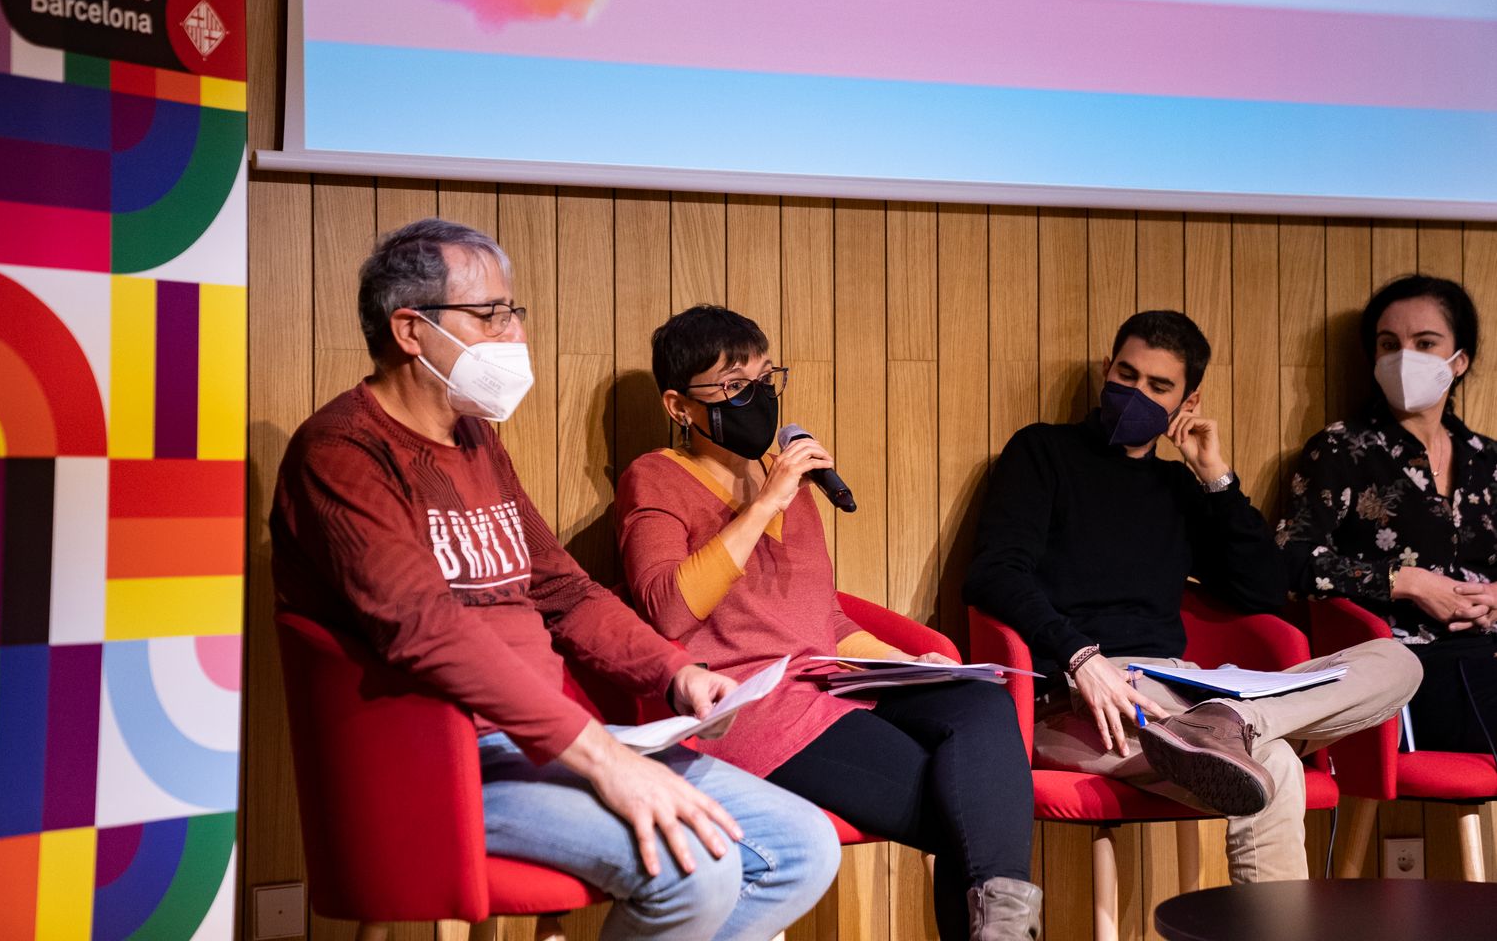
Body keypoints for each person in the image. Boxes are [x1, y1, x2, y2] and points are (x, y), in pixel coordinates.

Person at [270, 220, 839, 941]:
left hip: (542, 745)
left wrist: (676, 673)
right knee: (694, 871)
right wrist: (600, 757)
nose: (514, 334)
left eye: (513, 312)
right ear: (411, 331)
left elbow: (563, 591)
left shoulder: (475, 439)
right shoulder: (342, 451)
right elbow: (426, 632)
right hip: (442, 759)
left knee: (802, 849)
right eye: (490, 315)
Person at [615, 305, 1040, 941]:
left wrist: (905, 663)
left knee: (980, 702)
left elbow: (825, 618)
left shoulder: (786, 480)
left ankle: (1000, 929)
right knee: (974, 809)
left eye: (765, 378)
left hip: (835, 684)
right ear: (679, 406)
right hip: (755, 707)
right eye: (734, 386)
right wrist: (767, 502)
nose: (758, 397)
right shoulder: (655, 478)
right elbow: (666, 607)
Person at [967, 309, 1421, 883]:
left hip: (1188, 691)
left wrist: (1216, 477)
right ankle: (1229, 734)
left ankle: (1230, 720)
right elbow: (995, 573)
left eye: (1158, 386)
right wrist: (1081, 656)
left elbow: (1262, 590)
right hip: (1081, 696)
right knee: (1273, 763)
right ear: (1107, 368)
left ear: (1188, 402)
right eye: (1126, 375)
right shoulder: (1043, 452)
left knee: (1397, 661)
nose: (1136, 394)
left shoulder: (1180, 489)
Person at [1279, 275, 1497, 755]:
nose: (1404, 358)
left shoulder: (1488, 459)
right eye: (1389, 344)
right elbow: (1291, 560)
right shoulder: (1342, 448)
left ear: (1460, 360)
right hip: (1403, 667)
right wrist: (1407, 582)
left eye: (1425, 343)